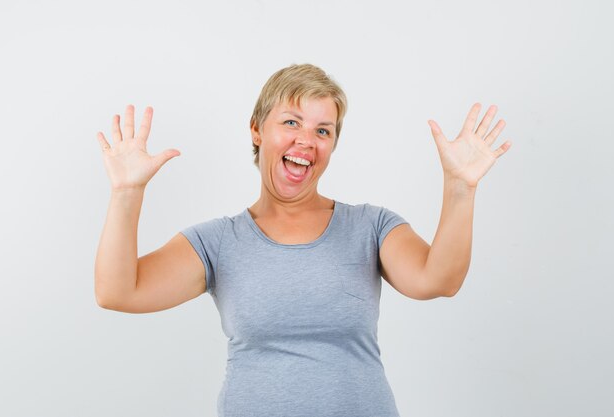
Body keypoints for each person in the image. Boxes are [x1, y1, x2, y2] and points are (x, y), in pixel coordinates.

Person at [94, 63, 512, 417]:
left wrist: (460, 187)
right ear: (257, 129)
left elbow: (438, 280)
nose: (306, 141)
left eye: (323, 131)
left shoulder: (372, 226)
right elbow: (117, 292)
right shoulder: (217, 242)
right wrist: (126, 193)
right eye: (291, 122)